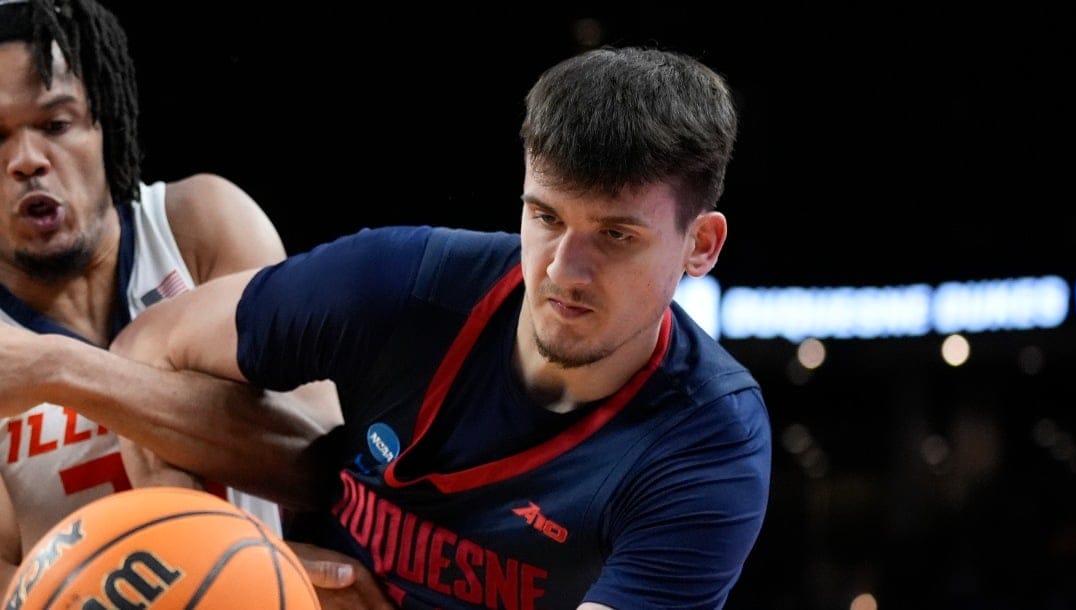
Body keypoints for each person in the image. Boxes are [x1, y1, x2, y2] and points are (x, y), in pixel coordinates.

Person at [4, 44, 772, 608]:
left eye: (617, 236)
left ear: (699, 245)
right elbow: (150, 342)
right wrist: (221, 553)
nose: (564, 270)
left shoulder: (710, 444)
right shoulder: (403, 282)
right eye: (545, 217)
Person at [0, 0, 330, 592]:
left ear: (105, 124)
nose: (26, 160)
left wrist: (60, 368)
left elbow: (323, 462)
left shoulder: (197, 226)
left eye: (55, 124)